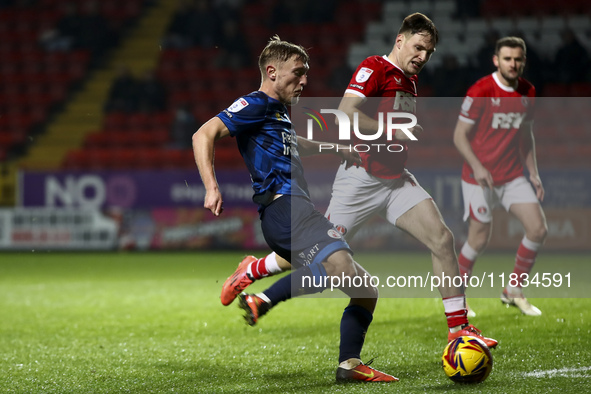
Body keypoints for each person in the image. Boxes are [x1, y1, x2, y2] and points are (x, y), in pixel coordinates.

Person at [222, 13, 498, 350]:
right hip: (360, 179)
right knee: (321, 257)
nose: (423, 57)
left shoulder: (408, 80)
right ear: (400, 40)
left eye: (429, 52)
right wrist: (390, 129)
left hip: (395, 179)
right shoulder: (374, 67)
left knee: (442, 239)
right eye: (418, 47)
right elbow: (348, 110)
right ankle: (254, 275)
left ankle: (459, 329)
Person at [193, 36, 398, 383]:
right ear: (272, 72)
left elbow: (295, 144)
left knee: (364, 289)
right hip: (285, 209)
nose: (304, 81)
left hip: (293, 212)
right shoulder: (256, 103)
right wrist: (211, 186)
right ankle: (262, 298)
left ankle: (349, 364)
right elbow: (204, 134)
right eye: (298, 73)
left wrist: (333, 147)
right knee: (340, 267)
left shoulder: (277, 112)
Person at [453, 36, 547, 316]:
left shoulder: (528, 91)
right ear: (496, 60)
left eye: (518, 59)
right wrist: (478, 166)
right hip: (477, 177)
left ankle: (513, 290)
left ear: (523, 61)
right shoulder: (481, 90)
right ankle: (456, 298)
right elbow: (459, 136)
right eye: (507, 58)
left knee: (538, 229)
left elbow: (526, 135)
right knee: (479, 239)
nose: (513, 64)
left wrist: (534, 173)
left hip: (512, 175)